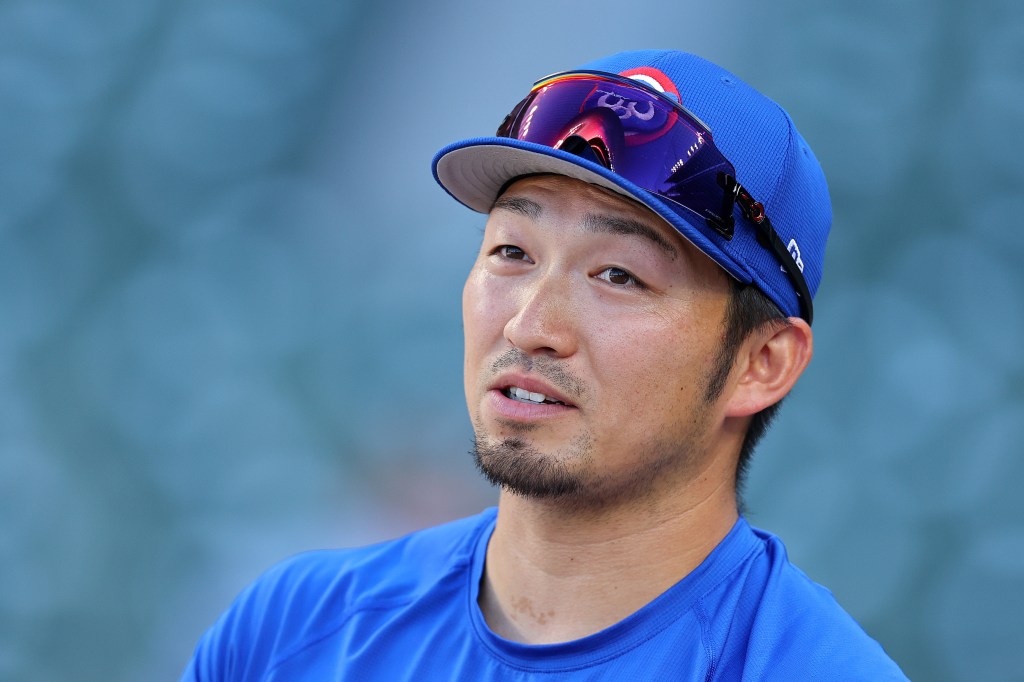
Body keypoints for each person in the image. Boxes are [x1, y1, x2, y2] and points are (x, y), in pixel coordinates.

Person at [181, 50, 908, 680]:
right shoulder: (289, 635)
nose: (530, 325)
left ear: (762, 363)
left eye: (619, 275)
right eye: (512, 252)